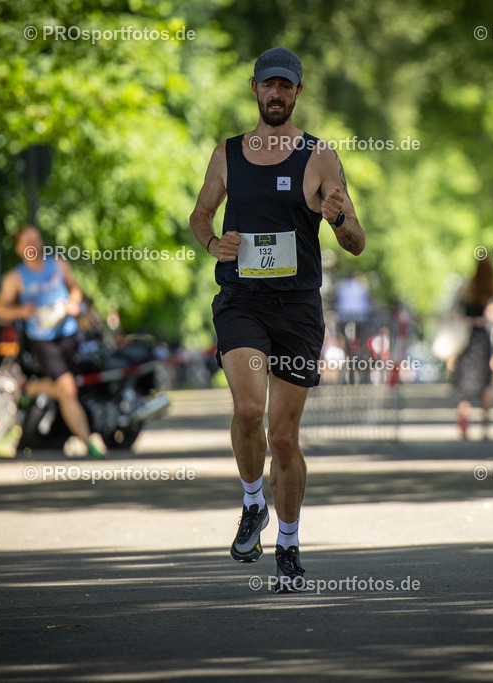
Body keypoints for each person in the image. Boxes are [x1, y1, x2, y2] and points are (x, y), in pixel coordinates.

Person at [188, 47, 366, 592]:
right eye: (268, 85)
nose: (276, 95)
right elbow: (199, 215)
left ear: (297, 93)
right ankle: (251, 504)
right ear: (254, 88)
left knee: (284, 437)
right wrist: (215, 243)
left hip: (296, 309)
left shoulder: (319, 158)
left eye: (285, 87)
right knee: (248, 410)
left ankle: (288, 542)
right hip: (241, 301)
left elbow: (356, 241)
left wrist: (337, 221)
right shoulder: (228, 153)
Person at [0, 225, 107, 458]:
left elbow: (75, 288)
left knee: (72, 388)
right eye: (27, 242)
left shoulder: (58, 264)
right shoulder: (15, 278)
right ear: (18, 248)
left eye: (36, 240)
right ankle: (88, 442)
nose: (33, 245)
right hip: (42, 339)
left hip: (68, 333)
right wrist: (20, 311)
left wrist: (73, 303)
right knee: (67, 389)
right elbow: (0, 309)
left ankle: (33, 388)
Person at [450, 255, 493, 440]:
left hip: (466, 340)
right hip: (482, 341)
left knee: (465, 386)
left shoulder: (466, 287)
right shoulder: (491, 289)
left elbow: (454, 310)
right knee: (485, 384)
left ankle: (463, 427)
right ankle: (485, 428)